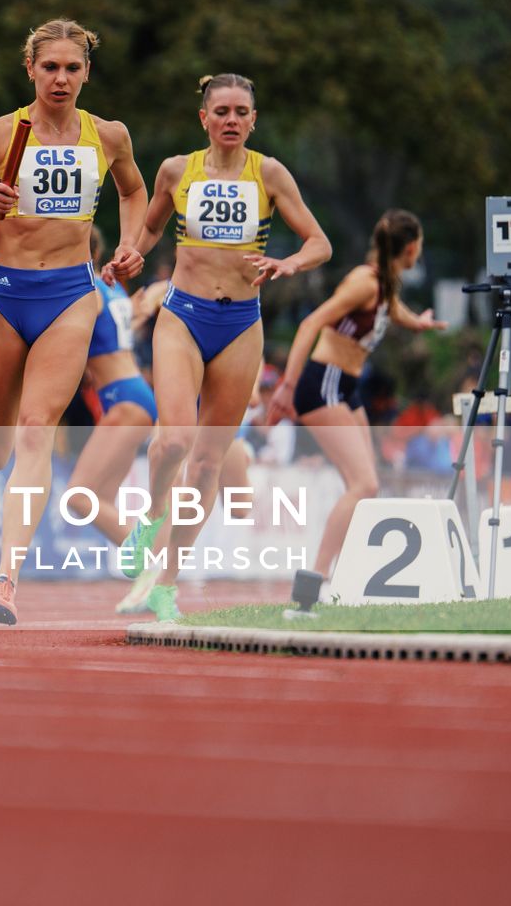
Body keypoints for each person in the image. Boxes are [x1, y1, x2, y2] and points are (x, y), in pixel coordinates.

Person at [0, 19, 149, 625]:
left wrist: (132, 242)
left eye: (73, 68)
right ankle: (5, 537)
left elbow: (134, 191)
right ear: (30, 69)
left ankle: (6, 580)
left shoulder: (108, 135)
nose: (61, 79)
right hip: (2, 295)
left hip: (70, 295)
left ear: (87, 73)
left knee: (36, 431)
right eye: (50, 67)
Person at [118, 73, 331, 620]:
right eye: (222, 112)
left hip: (240, 323)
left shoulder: (270, 173)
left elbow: (320, 243)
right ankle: (150, 515)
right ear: (205, 119)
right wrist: (131, 256)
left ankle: (166, 581)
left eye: (242, 112)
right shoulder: (175, 171)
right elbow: (147, 231)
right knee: (173, 444)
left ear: (253, 121)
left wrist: (290, 263)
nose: (232, 120)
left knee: (209, 461)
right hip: (182, 317)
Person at [267, 210, 445, 576]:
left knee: (365, 486)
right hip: (323, 383)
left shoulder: (384, 285)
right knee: (365, 484)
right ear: (411, 248)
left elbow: (394, 311)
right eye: (421, 245)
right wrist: (287, 385)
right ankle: (313, 581)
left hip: (345, 387)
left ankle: (348, 576)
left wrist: (420, 323)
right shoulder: (364, 282)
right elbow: (311, 321)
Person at [68, 227, 166, 559]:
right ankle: (145, 572)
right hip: (132, 395)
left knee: (78, 497)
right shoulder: (113, 290)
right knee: (101, 499)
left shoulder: (88, 291)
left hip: (123, 399)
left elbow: (71, 350)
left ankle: (153, 566)